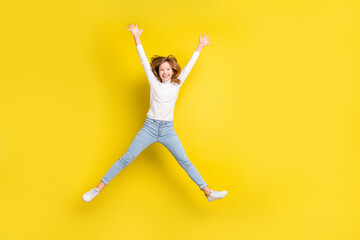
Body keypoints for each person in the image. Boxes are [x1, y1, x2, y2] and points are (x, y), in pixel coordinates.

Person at [82, 23, 228, 203]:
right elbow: (143, 60)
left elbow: (189, 66)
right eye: (162, 69)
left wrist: (200, 46)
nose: (165, 72)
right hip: (149, 128)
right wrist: (136, 38)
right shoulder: (154, 83)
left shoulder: (177, 83)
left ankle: (208, 193)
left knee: (184, 161)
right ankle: (97, 189)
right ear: (157, 72)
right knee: (126, 158)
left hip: (168, 130)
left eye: (168, 69)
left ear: (173, 70)